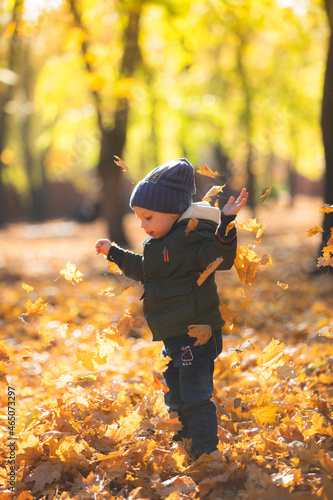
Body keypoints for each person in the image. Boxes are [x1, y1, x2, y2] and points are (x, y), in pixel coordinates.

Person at [95, 158, 248, 461]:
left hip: (197, 335)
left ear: (173, 211)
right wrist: (114, 252)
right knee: (175, 394)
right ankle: (186, 441)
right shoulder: (158, 244)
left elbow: (220, 257)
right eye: (139, 218)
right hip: (175, 338)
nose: (143, 225)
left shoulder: (195, 237)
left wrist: (226, 225)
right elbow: (144, 270)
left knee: (195, 396)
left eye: (149, 217)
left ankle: (207, 453)